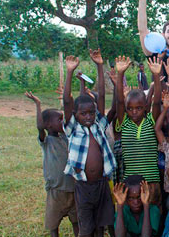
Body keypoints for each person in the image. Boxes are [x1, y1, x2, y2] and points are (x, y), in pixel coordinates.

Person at [63, 50, 116, 237]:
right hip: (83, 186)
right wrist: (69, 72)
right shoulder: (72, 129)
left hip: (102, 183)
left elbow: (101, 96)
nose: (88, 117)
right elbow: (67, 101)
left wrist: (100, 66)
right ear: (76, 114)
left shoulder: (98, 125)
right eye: (83, 114)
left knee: (102, 225)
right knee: (86, 227)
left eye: (91, 113)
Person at [25, 91, 79, 237]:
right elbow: (39, 127)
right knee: (53, 224)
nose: (63, 121)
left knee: (76, 222)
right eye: (59, 119)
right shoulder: (46, 142)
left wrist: (70, 99)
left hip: (72, 188)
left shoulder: (66, 137)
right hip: (56, 191)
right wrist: (38, 104)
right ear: (48, 124)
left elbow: (72, 116)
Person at [115, 55, 162, 206]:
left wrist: (156, 75)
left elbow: (156, 101)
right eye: (130, 109)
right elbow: (120, 102)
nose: (134, 112)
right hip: (131, 182)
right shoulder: (124, 123)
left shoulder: (150, 121)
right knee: (134, 216)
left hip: (152, 180)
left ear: (145, 108)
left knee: (154, 214)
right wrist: (120, 73)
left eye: (139, 108)